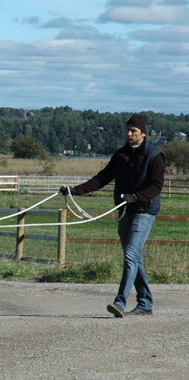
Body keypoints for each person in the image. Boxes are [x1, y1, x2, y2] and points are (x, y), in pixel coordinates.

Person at [60, 114, 164, 318]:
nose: (129, 134)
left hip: (144, 211)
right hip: (125, 211)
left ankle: (120, 302)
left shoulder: (154, 156)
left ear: (143, 133)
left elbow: (156, 186)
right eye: (128, 130)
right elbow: (102, 178)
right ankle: (145, 302)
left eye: (133, 131)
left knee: (130, 256)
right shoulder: (121, 155)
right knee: (134, 259)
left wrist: (136, 197)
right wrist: (74, 191)